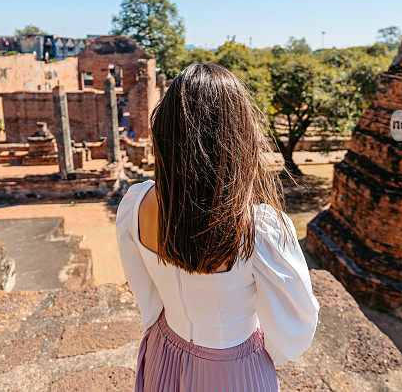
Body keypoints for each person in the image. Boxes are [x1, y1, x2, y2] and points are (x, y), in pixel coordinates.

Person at [116, 63, 319, 391]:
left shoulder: (136, 203)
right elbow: (294, 329)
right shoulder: (258, 229)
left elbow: (147, 294)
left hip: (163, 352)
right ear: (239, 136)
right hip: (233, 371)